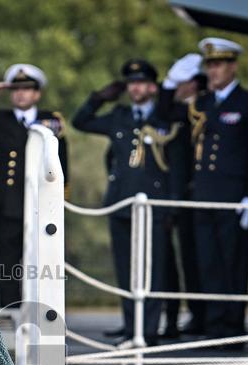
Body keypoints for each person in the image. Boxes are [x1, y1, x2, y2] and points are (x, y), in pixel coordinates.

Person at [157, 38, 248, 340]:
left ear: (233, 66)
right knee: (206, 262)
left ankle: (232, 329)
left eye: (219, 64)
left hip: (234, 197)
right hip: (203, 196)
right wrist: (171, 82)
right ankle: (213, 326)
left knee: (232, 263)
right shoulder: (202, 103)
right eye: (209, 65)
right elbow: (165, 113)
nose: (213, 70)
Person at [72, 58, 188, 346]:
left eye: (141, 83)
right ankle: (130, 325)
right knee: (126, 268)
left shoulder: (168, 116)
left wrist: (173, 204)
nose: (135, 88)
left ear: (152, 86)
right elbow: (80, 122)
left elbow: (177, 164)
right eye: (131, 84)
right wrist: (98, 98)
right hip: (121, 202)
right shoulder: (119, 115)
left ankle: (148, 330)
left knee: (154, 269)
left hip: (154, 204)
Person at [0, 64, 68, 309]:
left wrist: (60, 201)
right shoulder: (0, 119)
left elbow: (63, 161)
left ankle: (42, 313)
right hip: (7, 203)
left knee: (42, 263)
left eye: (27, 89)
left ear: (37, 93)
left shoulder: (51, 120)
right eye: (15, 89)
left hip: (41, 204)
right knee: (7, 266)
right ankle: (11, 315)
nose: (20, 94)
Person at [161, 53, 207, 337]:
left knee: (199, 261)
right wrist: (168, 83)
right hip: (177, 196)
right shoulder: (179, 111)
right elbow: (163, 111)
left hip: (199, 195)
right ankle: (187, 316)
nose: (178, 89)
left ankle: (203, 316)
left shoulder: (206, 107)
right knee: (179, 262)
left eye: (182, 83)